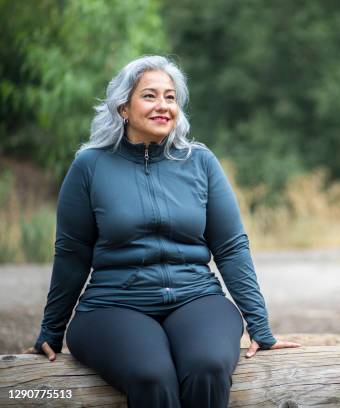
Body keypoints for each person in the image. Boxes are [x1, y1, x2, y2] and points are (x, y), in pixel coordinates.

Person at [24, 55, 300, 408]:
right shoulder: (90, 166)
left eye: (170, 97)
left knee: (208, 366)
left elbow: (231, 248)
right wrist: (51, 329)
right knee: (152, 376)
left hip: (196, 297)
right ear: (123, 107)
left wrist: (260, 327)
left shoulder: (200, 162)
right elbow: (72, 254)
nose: (163, 106)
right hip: (114, 305)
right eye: (150, 96)